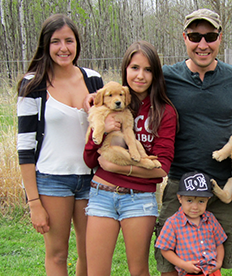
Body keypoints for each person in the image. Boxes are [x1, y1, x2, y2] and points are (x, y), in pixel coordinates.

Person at [154, 8, 232, 276]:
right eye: (195, 36)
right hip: (180, 183)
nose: (203, 44)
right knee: (170, 262)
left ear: (220, 38)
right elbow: (135, 99)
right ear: (185, 38)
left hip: (224, 185)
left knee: (215, 263)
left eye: (210, 36)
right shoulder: (166, 77)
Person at [16, 14, 103, 275]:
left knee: (90, 253)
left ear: (77, 44)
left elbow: (106, 126)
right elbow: (25, 148)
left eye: (69, 40)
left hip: (91, 179)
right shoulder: (32, 84)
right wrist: (34, 203)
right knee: (57, 254)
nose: (63, 48)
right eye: (56, 41)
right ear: (46, 45)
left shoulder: (93, 79)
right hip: (52, 180)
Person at [83, 40, 177, 276]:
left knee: (138, 271)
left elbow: (161, 168)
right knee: (96, 271)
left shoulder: (165, 112)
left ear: (156, 74)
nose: (140, 76)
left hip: (139, 198)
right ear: (125, 69)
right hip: (101, 194)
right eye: (134, 67)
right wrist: (102, 128)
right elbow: (90, 159)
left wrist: (117, 167)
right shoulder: (110, 101)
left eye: (148, 69)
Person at [155, 172, 227, 276]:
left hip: (212, 272)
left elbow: (219, 243)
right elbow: (165, 249)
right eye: (189, 200)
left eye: (201, 201)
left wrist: (219, 262)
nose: (195, 207)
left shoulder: (210, 219)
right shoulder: (173, 223)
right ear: (180, 198)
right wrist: (183, 264)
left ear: (208, 200)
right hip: (189, 272)